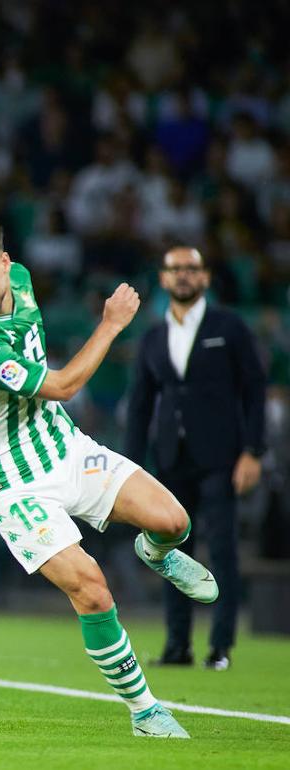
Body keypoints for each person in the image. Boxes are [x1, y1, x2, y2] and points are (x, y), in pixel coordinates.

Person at [0, 216, 218, 739]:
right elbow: (62, 385)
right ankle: (145, 710)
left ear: (5, 266)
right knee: (90, 589)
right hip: (8, 483)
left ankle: (154, 552)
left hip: (63, 449)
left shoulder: (19, 284)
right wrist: (110, 323)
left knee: (174, 521)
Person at [124, 246, 266, 671]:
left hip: (221, 457)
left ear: (205, 277)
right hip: (170, 460)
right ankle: (177, 646)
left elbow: (255, 390)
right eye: (175, 269)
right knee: (168, 552)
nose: (183, 275)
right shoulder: (152, 336)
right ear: (163, 279)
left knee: (222, 550)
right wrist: (130, 466)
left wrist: (254, 451)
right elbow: (139, 407)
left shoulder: (230, 326)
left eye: (191, 268)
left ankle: (220, 646)